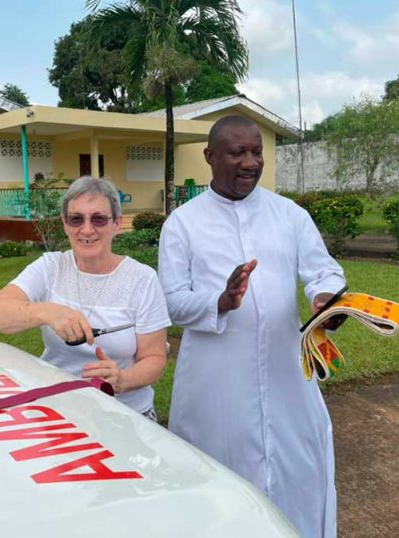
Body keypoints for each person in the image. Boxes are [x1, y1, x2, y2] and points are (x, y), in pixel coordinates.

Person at [158, 115, 346, 537]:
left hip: (287, 376)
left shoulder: (289, 215)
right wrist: (220, 302)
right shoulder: (183, 224)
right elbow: (172, 302)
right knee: (219, 477)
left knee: (300, 466)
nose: (250, 162)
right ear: (209, 157)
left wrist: (325, 298)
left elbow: (324, 272)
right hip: (215, 382)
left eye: (256, 152)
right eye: (237, 152)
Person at [0, 176, 170, 419]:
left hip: (125, 413)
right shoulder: (51, 267)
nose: (87, 229)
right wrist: (47, 312)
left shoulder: (142, 279)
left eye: (99, 219)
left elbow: (154, 358)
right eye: (76, 218)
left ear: (117, 223)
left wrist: (122, 380)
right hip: (59, 409)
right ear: (65, 223)